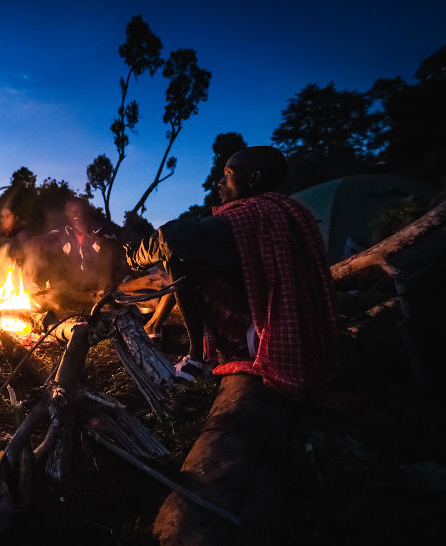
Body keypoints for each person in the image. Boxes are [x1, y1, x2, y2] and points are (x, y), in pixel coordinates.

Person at [127, 146, 341, 400]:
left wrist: (136, 259)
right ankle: (162, 330)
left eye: (227, 174)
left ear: (253, 179)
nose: (219, 182)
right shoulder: (289, 210)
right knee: (197, 254)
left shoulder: (250, 214)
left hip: (272, 338)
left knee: (181, 257)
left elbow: (171, 237)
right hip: (312, 336)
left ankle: (198, 358)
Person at [41, 196, 128, 308]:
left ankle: (103, 297)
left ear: (85, 213)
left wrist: (96, 238)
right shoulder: (65, 232)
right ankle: (57, 294)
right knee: (50, 249)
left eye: (79, 210)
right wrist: (37, 242)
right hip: (78, 279)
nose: (76, 214)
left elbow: (113, 247)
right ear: (67, 214)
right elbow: (49, 237)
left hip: (100, 278)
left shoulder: (99, 229)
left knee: (107, 248)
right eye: (72, 211)